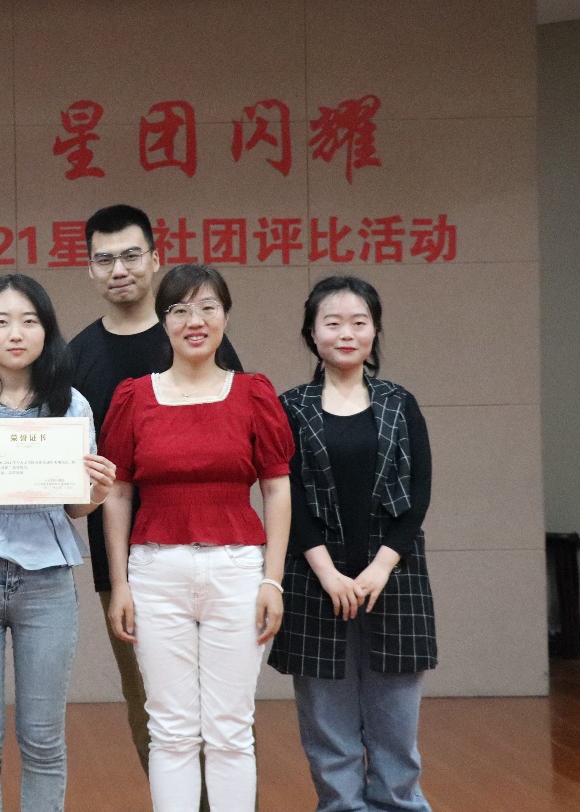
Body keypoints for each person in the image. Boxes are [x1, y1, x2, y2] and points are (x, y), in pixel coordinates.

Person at [101, 263, 292, 812]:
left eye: (208, 307)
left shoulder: (253, 393)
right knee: (171, 730)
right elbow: (117, 493)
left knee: (231, 728)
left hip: (238, 570)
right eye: (180, 310)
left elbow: (277, 489)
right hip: (155, 572)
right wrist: (120, 584)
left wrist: (273, 581)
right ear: (163, 322)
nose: (195, 321)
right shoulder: (134, 397)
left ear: (225, 316)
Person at [0, 273, 117, 812]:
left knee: (43, 736)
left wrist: (97, 492)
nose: (15, 333)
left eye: (29, 321)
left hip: (45, 581)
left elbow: (75, 507)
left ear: (46, 331)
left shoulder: (71, 404)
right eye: (2, 321)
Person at [69, 204, 242, 781]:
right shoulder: (75, 357)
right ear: (90, 269)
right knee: (150, 706)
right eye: (105, 259)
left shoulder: (198, 337)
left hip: (217, 550)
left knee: (223, 712)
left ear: (155, 259)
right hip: (125, 561)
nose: (119, 269)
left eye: (131, 255)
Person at [268, 276, 436, 812]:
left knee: (396, 723)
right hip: (316, 580)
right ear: (312, 334)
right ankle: (341, 806)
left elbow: (418, 494)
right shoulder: (290, 407)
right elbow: (286, 498)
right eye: (333, 322)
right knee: (327, 725)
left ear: (375, 331)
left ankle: (399, 803)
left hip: (395, 577)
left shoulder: (399, 403)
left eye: (359, 322)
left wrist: (382, 567)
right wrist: (327, 573)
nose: (346, 333)